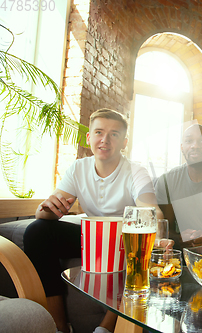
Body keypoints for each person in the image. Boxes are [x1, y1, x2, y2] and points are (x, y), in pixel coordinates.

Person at [23, 109, 168, 333]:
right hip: (91, 239)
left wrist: (156, 234)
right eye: (99, 132)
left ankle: (106, 328)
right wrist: (45, 209)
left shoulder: (135, 171)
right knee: (36, 231)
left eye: (114, 134)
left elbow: (151, 211)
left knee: (142, 247)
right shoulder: (78, 168)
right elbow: (48, 212)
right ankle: (59, 325)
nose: (105, 140)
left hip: (123, 241)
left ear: (124, 142)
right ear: (89, 137)